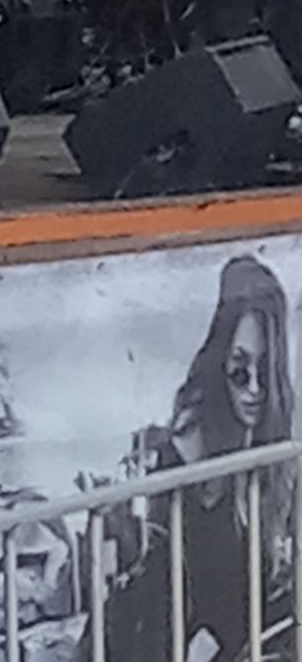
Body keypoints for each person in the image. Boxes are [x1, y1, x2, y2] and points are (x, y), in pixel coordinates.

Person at [84, 255, 294, 661]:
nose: (253, 389)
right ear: (221, 360)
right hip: (187, 633)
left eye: (265, 373)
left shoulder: (275, 436)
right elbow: (173, 581)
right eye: (239, 371)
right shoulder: (190, 442)